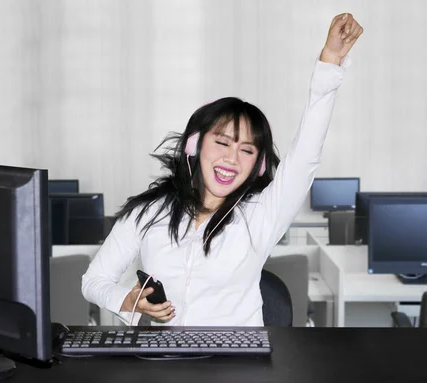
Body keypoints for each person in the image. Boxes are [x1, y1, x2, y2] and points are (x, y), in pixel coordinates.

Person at [82, 13, 363, 327]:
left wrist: (331, 61)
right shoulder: (148, 212)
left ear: (257, 166)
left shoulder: (262, 215)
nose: (232, 158)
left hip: (239, 363)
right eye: (222, 143)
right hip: (166, 362)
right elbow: (94, 280)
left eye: (246, 150)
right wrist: (125, 300)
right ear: (194, 145)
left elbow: (306, 156)